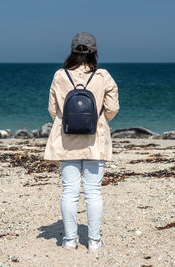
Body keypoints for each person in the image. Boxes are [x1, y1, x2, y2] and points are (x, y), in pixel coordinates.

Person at [44, 32, 119, 252]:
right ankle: (94, 242)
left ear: (72, 50)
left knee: (69, 191)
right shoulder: (103, 76)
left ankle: (69, 240)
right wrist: (99, 120)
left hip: (66, 139)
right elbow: (113, 108)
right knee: (93, 192)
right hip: (95, 138)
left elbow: (53, 109)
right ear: (94, 51)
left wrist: (67, 122)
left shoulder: (60, 75)